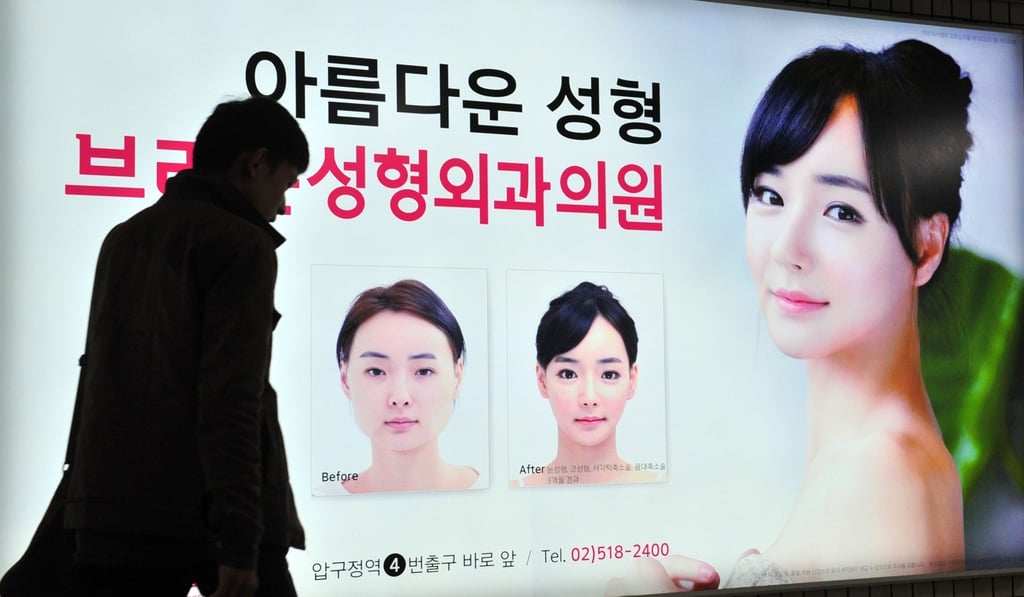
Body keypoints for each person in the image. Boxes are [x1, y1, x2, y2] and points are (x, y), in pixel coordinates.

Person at [607, 38, 971, 594]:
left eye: (840, 210)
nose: (786, 247)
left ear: (926, 246)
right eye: (769, 195)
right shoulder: (884, 456)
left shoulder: (875, 473)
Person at [63, 96, 309, 597]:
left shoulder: (124, 237)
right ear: (256, 162)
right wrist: (242, 540)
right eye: (285, 182)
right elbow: (232, 397)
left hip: (107, 513)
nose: (283, 205)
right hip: (205, 514)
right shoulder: (242, 243)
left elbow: (97, 376)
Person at [332, 279, 480, 493]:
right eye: (376, 371)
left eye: (423, 371)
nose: (400, 397)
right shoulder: (316, 502)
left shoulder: (493, 493)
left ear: (457, 376)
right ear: (345, 379)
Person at [517, 281, 657, 487]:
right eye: (568, 374)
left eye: (609, 375)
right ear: (542, 380)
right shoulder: (515, 493)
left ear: (632, 380)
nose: (589, 399)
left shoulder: (663, 491)